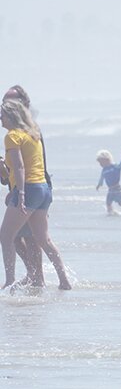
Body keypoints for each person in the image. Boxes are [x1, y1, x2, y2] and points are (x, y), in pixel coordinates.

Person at [0, 100, 70, 290]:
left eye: (2, 115)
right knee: (43, 239)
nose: (0, 119)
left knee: (5, 235)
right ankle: (64, 280)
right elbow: (20, 168)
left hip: (28, 189)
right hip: (43, 189)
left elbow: (21, 167)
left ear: (11, 116)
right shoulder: (33, 134)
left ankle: (9, 281)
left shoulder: (12, 136)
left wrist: (20, 194)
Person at [2, 85, 50, 284]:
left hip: (33, 186)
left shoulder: (29, 130)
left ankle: (35, 276)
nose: (5, 105)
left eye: (11, 101)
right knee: (20, 236)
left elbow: (32, 165)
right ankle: (34, 275)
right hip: (28, 187)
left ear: (24, 104)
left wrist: (21, 192)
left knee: (28, 237)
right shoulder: (18, 130)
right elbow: (13, 169)